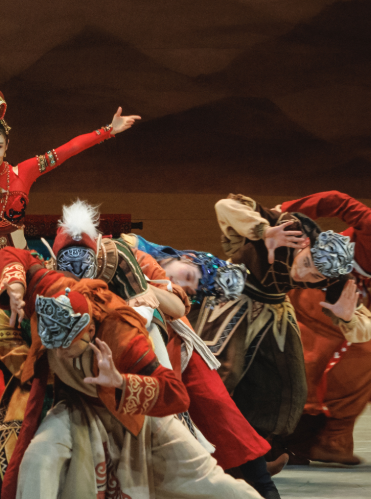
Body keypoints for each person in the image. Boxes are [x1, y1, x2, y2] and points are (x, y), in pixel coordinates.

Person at [52, 201, 280, 498]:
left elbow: (178, 306)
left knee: (218, 411)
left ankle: (263, 486)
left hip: (169, 347)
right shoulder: (54, 278)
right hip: (100, 360)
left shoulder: (135, 260)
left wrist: (146, 290)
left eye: (192, 278)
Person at [0, 246, 261, 499]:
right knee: (39, 457)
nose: (60, 353)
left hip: (138, 416)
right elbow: (12, 253)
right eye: (54, 345)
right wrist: (15, 285)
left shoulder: (123, 336)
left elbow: (176, 394)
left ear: (90, 330)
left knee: (210, 480)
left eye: (68, 346)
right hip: (79, 408)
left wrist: (122, 382)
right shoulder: (51, 291)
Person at [190, 194, 360, 447]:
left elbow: (363, 326)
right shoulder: (289, 228)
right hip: (233, 290)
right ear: (306, 245)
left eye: (315, 276)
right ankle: (193, 439)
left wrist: (347, 319)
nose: (304, 274)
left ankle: (256, 448)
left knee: (288, 387)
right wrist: (263, 231)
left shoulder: (334, 275)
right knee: (221, 370)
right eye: (307, 262)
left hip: (275, 307)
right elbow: (224, 206)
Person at [0, 73, 140, 265]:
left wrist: (108, 130)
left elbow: (68, 149)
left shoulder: (23, 172)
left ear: (6, 145)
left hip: (23, 265)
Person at [277, 191, 371, 464]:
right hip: (319, 286)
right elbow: (336, 199)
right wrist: (283, 212)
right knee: (311, 355)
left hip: (352, 300)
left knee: (362, 360)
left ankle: (332, 440)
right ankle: (287, 438)